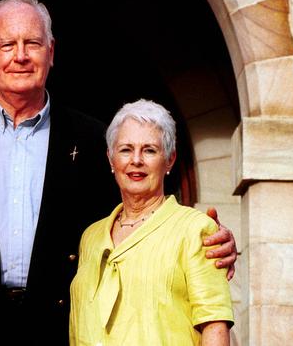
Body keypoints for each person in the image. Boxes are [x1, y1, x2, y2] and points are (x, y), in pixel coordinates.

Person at [0, 0, 237, 345]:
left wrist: (205, 240)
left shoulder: (90, 135)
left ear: (50, 52)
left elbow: (137, 217)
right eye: (7, 44)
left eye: (32, 43)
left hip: (52, 328)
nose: (20, 56)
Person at [70, 99, 234, 345]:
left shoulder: (196, 230)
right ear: (110, 159)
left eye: (149, 150)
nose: (136, 160)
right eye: (125, 149)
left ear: (169, 159)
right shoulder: (90, 237)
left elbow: (214, 327)